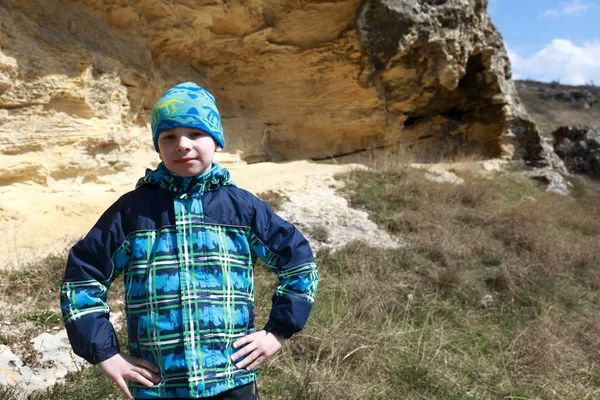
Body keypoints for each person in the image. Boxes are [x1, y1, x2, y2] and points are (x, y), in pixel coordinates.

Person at [60, 82, 319, 399]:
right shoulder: (131, 212)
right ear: (158, 146)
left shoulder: (243, 208)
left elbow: (299, 263)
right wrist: (105, 354)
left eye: (195, 134)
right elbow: (83, 276)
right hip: (159, 386)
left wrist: (276, 333)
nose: (182, 145)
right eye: (169, 136)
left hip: (231, 380)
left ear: (217, 142)